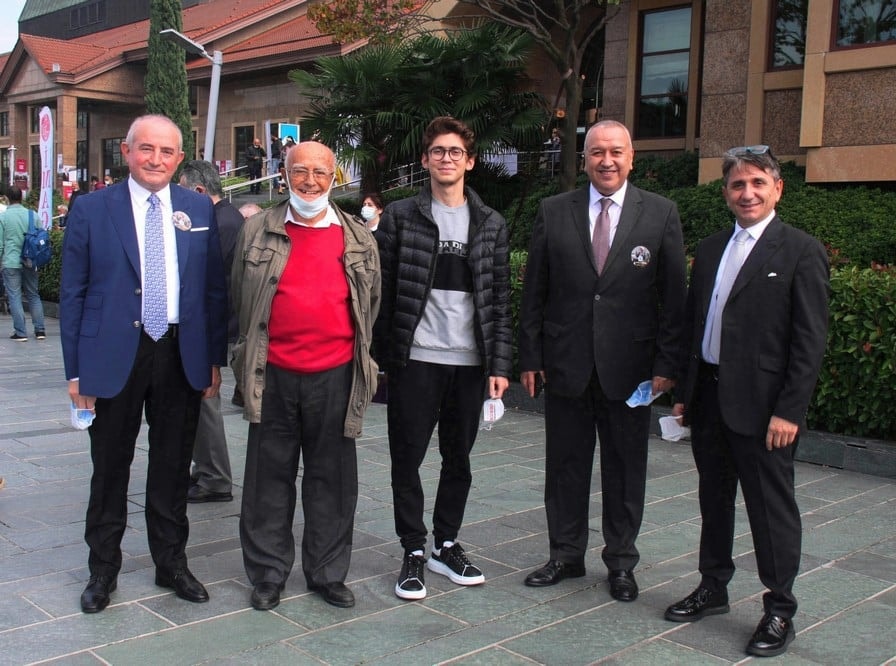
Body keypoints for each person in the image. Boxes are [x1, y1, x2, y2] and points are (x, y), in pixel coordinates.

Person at [663, 145, 829, 658]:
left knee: (770, 510)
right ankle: (713, 587)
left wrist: (790, 411)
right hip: (710, 398)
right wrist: (686, 396)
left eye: (758, 183)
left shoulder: (800, 250)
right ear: (726, 193)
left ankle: (779, 608)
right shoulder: (712, 248)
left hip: (764, 411)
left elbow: (809, 342)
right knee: (715, 502)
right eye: (737, 184)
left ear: (778, 189)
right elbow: (697, 325)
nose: (747, 192)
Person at [60, 114, 228, 614]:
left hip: (180, 353)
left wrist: (213, 360)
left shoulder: (198, 207)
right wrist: (76, 372)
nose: (156, 159)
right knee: (110, 466)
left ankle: (170, 562)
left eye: (167, 151)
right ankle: (103, 570)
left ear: (180, 158)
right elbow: (73, 295)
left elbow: (213, 290)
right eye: (146, 149)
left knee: (174, 466)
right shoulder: (92, 208)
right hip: (115, 355)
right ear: (127, 153)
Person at [518, 120, 687, 601]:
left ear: (632, 158)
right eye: (596, 152)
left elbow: (674, 300)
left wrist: (667, 366)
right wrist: (530, 354)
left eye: (616, 152)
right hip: (566, 363)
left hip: (631, 371)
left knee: (625, 468)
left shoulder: (660, 213)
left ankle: (621, 562)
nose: (606, 161)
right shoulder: (554, 211)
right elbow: (535, 292)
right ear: (584, 158)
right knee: (565, 466)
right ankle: (565, 556)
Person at [231, 139, 380, 612]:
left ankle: (327, 573)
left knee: (332, 480)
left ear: (334, 177)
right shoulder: (256, 231)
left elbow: (370, 304)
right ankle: (268, 574)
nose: (310, 181)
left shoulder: (359, 237)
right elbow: (241, 298)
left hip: (335, 376)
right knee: (266, 480)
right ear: (284, 173)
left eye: (320, 172)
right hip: (272, 373)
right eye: (301, 171)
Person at [374, 116, 512, 601]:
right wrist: (381, 355)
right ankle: (413, 548)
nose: (446, 158)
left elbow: (499, 298)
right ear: (426, 159)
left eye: (455, 151)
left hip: (470, 363)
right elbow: (381, 291)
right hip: (416, 359)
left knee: (459, 457)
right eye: (438, 151)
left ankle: (446, 543)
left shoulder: (491, 222)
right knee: (406, 458)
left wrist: (499, 365)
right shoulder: (399, 216)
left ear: (470, 161)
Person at [178, 160, 244, 503]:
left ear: (199, 191)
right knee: (201, 402)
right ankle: (205, 472)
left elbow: (210, 283)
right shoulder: (227, 217)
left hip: (215, 329)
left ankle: (214, 477)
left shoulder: (221, 222)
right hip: (213, 327)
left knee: (206, 402)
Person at [1, 185, 46, 341]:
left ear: (7, 198)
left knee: (14, 296)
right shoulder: (33, 215)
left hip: (11, 261)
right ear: (22, 197)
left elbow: (0, 244)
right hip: (30, 261)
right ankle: (40, 330)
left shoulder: (3, 217)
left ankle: (20, 332)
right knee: (33, 294)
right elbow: (42, 238)